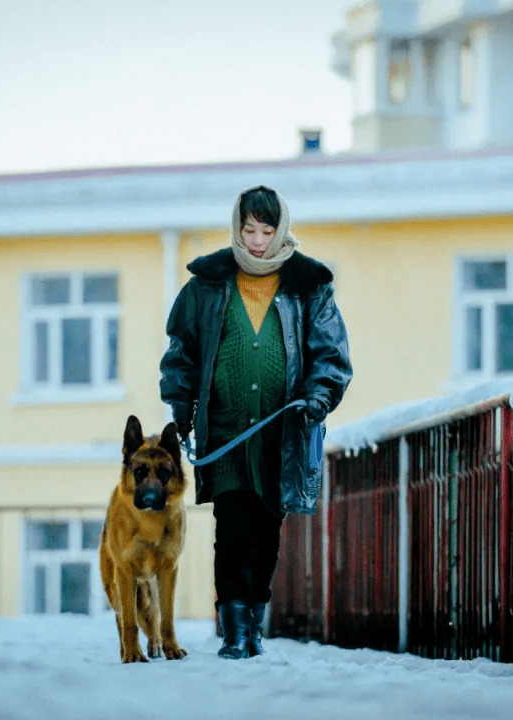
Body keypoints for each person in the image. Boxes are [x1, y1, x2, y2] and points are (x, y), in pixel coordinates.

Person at [160, 185, 352, 659]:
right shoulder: (205, 286)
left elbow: (331, 355)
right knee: (232, 527)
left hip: (280, 431)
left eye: (267, 230)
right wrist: (180, 409)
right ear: (237, 228)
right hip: (225, 430)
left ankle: (253, 622)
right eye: (249, 229)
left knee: (266, 531)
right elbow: (180, 354)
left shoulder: (309, 286)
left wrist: (318, 397)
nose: (259, 240)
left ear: (281, 228)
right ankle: (234, 632)